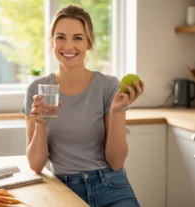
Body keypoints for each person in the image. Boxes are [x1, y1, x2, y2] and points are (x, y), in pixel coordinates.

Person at [21, 5, 144, 207]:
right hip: (63, 189)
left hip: (110, 186)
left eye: (78, 38)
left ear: (89, 43)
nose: (68, 46)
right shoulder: (38, 89)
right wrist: (41, 124)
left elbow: (116, 162)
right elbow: (36, 165)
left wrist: (117, 112)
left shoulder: (108, 86)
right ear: (52, 43)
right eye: (61, 37)